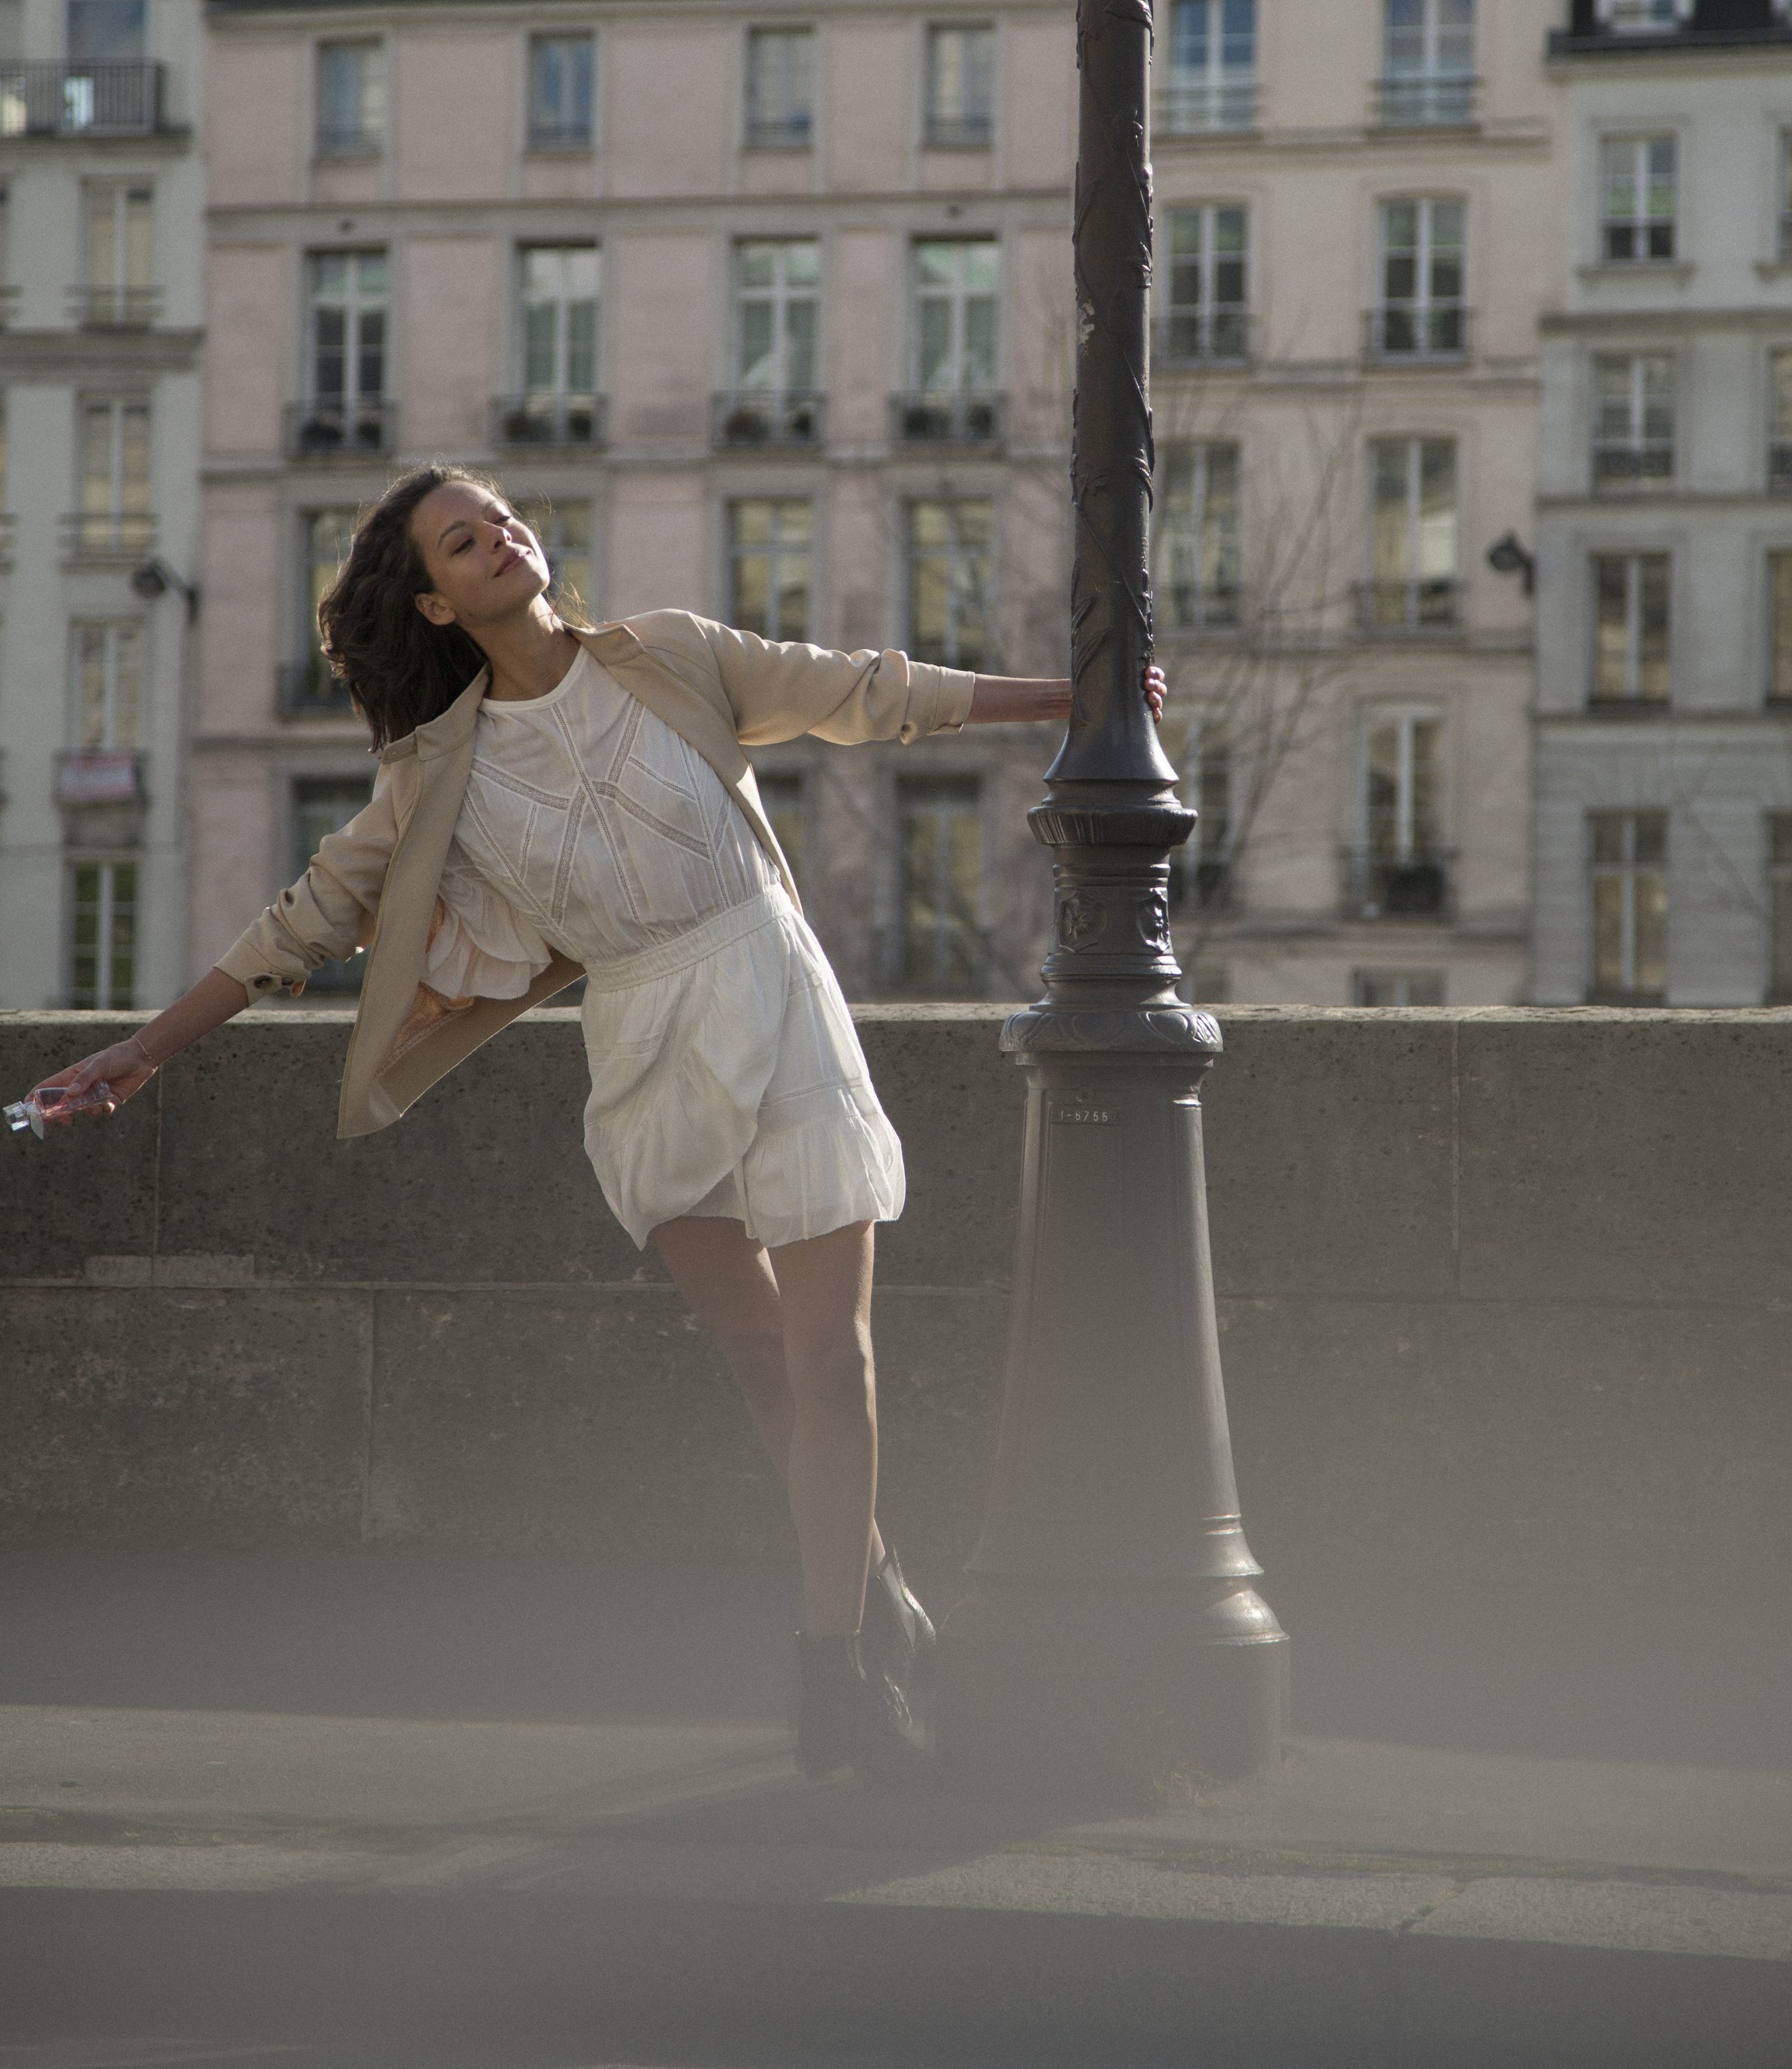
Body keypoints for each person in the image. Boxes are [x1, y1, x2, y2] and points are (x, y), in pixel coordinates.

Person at [29, 466, 1167, 1782]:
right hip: (639, 1035)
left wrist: (1068, 700)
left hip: (773, 987)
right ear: (437, 603)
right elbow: (306, 919)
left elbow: (864, 689)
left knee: (833, 1357)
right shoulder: (433, 776)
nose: (500, 538)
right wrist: (145, 1051)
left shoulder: (667, 656)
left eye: (504, 516)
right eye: (464, 541)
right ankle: (880, 1590)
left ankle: (833, 1670)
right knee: (757, 1359)